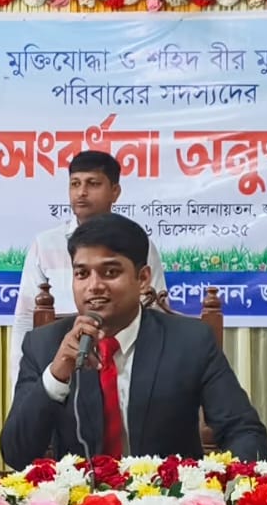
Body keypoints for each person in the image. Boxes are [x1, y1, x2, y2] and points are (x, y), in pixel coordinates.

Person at [1, 213, 267, 469]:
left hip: (167, 496)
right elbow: (16, 453)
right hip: (79, 499)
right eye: (82, 274)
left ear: (142, 279)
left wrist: (221, 487)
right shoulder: (44, 345)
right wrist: (57, 375)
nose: (94, 286)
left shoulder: (190, 341)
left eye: (110, 272)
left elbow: (245, 432)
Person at [9, 151, 167, 395]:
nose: (81, 192)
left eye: (92, 183)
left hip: (127, 363)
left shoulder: (137, 244)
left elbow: (156, 310)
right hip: (61, 364)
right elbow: (24, 320)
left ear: (115, 191)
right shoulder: (45, 244)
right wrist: (21, 390)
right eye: (75, 184)